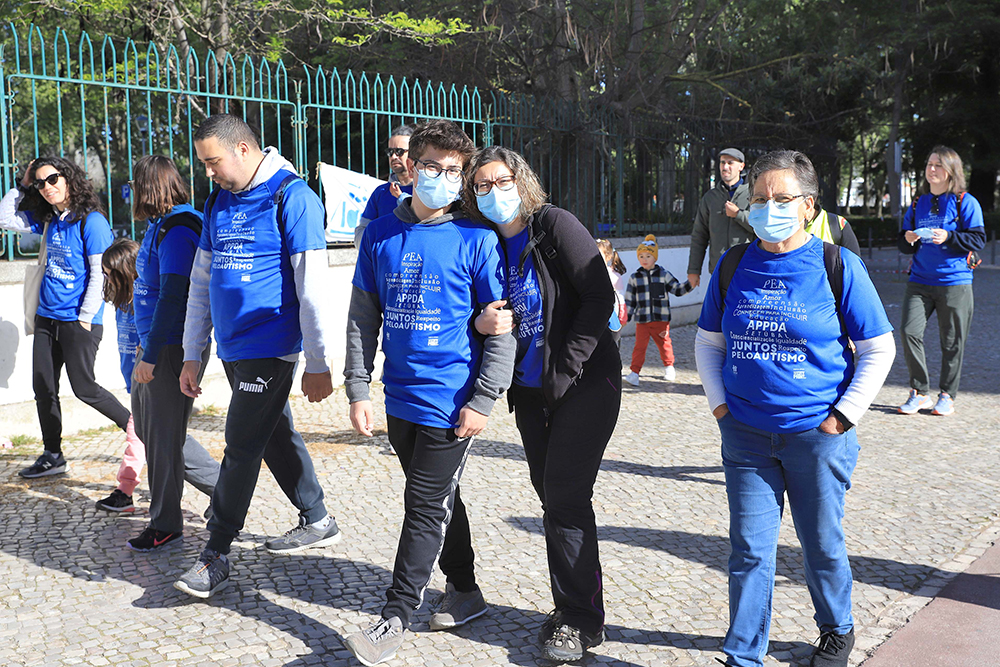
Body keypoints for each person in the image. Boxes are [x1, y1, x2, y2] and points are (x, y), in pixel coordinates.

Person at [694, 150, 895, 667]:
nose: (768, 207)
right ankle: (742, 655)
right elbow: (709, 342)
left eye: (781, 199)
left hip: (817, 435)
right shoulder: (733, 263)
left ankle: (836, 629)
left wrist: (842, 418)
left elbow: (878, 348)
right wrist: (721, 407)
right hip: (746, 435)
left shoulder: (836, 264)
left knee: (821, 543)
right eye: (760, 198)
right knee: (750, 551)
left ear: (808, 206)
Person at [342, 121, 516, 666]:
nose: (443, 178)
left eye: (454, 170)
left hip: (453, 400)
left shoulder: (477, 237)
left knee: (421, 503)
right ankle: (464, 592)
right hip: (399, 398)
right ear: (410, 167)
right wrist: (358, 386)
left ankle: (396, 615)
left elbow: (500, 323)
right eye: (433, 167)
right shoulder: (378, 234)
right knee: (441, 498)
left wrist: (484, 398)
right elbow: (361, 319)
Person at [174, 114, 340, 598]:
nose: (208, 172)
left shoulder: (293, 197)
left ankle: (216, 553)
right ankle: (319, 517)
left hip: (273, 346)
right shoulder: (218, 201)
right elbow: (202, 283)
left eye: (213, 162)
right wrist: (192, 352)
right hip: (232, 346)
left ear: (243, 150)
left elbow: (312, 288)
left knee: (241, 444)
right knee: (273, 434)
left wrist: (317, 360)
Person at [469, 146, 622, 663]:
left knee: (565, 495)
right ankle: (574, 607)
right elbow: (479, 313)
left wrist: (568, 366)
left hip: (584, 384)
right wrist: (478, 323)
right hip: (530, 394)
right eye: (482, 185)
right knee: (554, 501)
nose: (494, 192)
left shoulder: (552, 225)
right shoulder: (484, 242)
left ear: (522, 179)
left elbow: (600, 297)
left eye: (502, 180)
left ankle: (581, 620)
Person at [0, 157, 130, 479]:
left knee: (84, 387)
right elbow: (5, 218)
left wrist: (85, 318)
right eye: (41, 183)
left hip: (78, 322)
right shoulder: (49, 218)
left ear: (69, 177)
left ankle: (138, 429)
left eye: (53, 179)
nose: (47, 188)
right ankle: (52, 454)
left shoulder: (91, 222)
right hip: (47, 317)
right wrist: (22, 183)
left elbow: (101, 275)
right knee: (43, 387)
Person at [123, 155, 221, 551]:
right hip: (153, 343)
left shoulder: (180, 227)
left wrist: (150, 355)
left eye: (135, 186)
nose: (130, 194)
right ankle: (226, 488)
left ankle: (165, 522)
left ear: (149, 188)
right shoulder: (159, 227)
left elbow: (174, 295)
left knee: (162, 438)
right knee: (152, 431)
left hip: (170, 347)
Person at [896, 145, 985, 416]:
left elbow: (978, 239)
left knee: (952, 342)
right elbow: (903, 244)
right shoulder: (917, 202)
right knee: (909, 331)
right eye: (929, 164)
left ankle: (947, 395)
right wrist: (908, 239)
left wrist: (949, 237)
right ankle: (920, 391)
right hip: (920, 281)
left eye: (938, 165)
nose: (931, 169)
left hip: (955, 283)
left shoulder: (964, 201)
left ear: (950, 171)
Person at [93, 238, 144, 513]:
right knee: (174, 444)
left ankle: (125, 491)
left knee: (136, 437)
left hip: (148, 383)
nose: (106, 279)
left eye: (110, 273)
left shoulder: (144, 300)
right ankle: (219, 491)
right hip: (134, 382)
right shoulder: (121, 300)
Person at [624, 235, 693, 386]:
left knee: (664, 344)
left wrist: (690, 284)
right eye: (641, 256)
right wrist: (626, 317)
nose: (644, 259)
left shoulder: (664, 275)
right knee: (639, 347)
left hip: (661, 320)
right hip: (642, 320)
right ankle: (634, 373)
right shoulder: (634, 277)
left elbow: (677, 289)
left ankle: (669, 367)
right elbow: (630, 300)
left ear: (654, 257)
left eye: (648, 256)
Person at [687, 148, 752, 288]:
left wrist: (738, 215)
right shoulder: (710, 198)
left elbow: (761, 226)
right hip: (719, 272)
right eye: (722, 163)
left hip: (746, 270)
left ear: (741, 166)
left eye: (730, 163)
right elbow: (699, 236)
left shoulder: (753, 195)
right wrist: (693, 270)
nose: (725, 167)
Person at [353, 124, 415, 247]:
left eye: (399, 151)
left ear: (414, 153)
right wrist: (381, 250)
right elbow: (361, 233)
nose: (393, 157)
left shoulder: (425, 190)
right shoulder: (381, 192)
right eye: (390, 152)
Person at [596, 238, 627, 347]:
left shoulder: (613, 276)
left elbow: (620, 296)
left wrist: (622, 314)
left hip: (612, 316)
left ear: (608, 257)